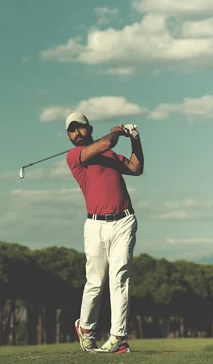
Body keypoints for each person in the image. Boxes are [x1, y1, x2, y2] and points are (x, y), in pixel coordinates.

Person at [64, 112, 144, 354]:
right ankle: (86, 328)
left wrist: (135, 140)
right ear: (68, 135)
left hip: (124, 221)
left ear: (90, 129)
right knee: (96, 282)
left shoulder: (109, 155)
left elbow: (136, 168)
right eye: (72, 130)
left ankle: (118, 338)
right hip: (95, 225)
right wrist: (117, 133)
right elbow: (107, 142)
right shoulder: (75, 156)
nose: (77, 133)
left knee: (120, 279)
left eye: (81, 128)